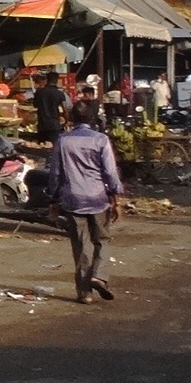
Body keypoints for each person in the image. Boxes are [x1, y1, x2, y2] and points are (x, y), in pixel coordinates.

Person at [47, 100, 124, 304]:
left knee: (80, 244)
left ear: (72, 118)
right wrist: (116, 195)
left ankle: (85, 293)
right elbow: (109, 172)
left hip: (72, 198)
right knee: (102, 240)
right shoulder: (101, 140)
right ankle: (98, 275)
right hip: (98, 197)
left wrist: (53, 197)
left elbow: (55, 173)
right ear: (92, 118)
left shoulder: (63, 140)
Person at [32, 71, 68, 139]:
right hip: (55, 125)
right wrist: (66, 122)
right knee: (54, 146)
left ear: (47, 80)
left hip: (42, 125)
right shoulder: (59, 94)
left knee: (42, 147)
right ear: (57, 81)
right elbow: (65, 110)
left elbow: (35, 105)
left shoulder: (39, 92)